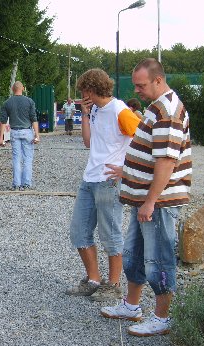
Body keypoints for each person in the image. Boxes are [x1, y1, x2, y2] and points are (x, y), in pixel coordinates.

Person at [100, 58, 192, 337]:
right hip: (145, 200)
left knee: (160, 260)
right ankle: (132, 306)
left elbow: (166, 161)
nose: (136, 90)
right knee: (135, 256)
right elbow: (150, 154)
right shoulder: (155, 107)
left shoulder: (168, 111)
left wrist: (150, 201)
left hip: (159, 204)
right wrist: (128, 170)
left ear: (158, 80)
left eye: (141, 85)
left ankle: (162, 318)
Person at [65, 69, 140, 301]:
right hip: (90, 178)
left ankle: (114, 284)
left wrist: (126, 170)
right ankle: (94, 279)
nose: (81, 96)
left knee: (111, 235)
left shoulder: (121, 111)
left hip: (109, 181)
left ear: (90, 90)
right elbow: (88, 142)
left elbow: (145, 141)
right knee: (79, 231)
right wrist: (85, 114)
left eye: (83, 92)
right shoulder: (95, 109)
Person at [0, 81, 40, 191]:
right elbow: (34, 119)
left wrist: (1, 138)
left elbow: (3, 121)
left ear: (13, 89)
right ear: (23, 88)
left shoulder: (7, 103)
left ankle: (16, 184)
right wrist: (37, 135)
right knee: (27, 158)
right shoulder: (29, 101)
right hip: (27, 132)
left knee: (16, 158)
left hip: (14, 132)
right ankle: (26, 183)